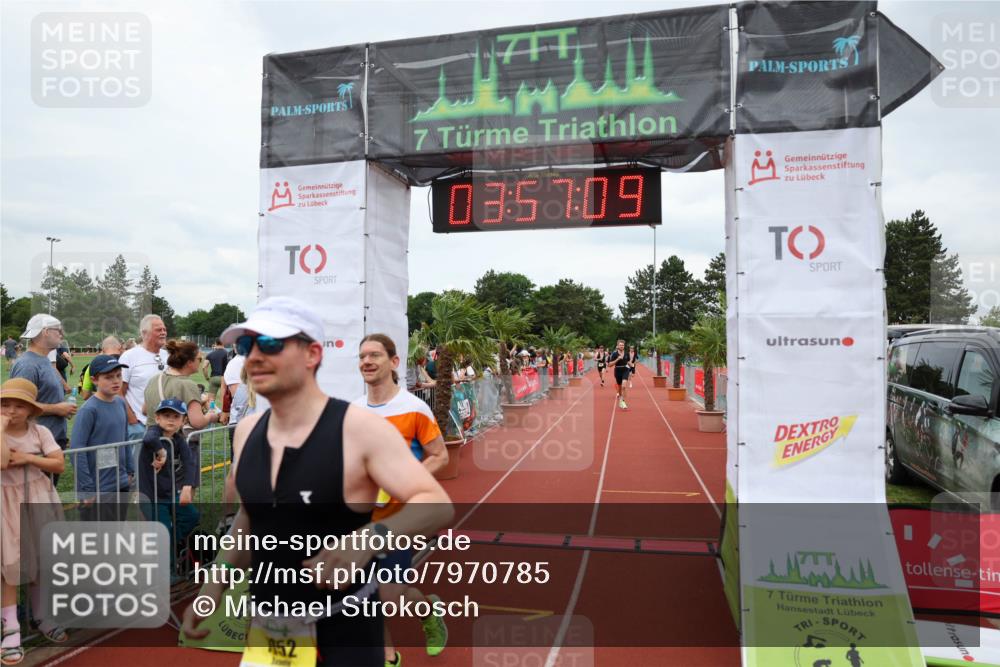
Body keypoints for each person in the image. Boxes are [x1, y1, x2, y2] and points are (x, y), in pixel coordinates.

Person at [181, 296, 454, 667]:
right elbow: (250, 518)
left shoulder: (359, 428)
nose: (255, 356)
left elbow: (435, 503)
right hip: (271, 630)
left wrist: (369, 538)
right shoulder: (246, 432)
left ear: (312, 354)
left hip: (344, 630)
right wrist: (216, 582)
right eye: (247, 346)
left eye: (272, 344)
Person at [353, 334, 449, 665]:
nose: (366, 361)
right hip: (359, 521)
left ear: (393, 362)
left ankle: (428, 611)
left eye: (374, 355)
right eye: (362, 356)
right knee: (366, 600)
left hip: (399, 519)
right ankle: (389, 658)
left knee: (388, 597)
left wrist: (404, 483)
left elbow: (440, 456)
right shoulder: (353, 411)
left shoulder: (414, 408)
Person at [1, 378, 68, 664]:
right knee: (10, 564)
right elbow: (3, 461)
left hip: (37, 497)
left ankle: (42, 616)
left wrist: (29, 458)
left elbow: (58, 463)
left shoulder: (40, 431)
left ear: (31, 410)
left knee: (40, 559)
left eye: (19, 406)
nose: (12, 410)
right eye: (5, 404)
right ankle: (10, 627)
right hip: (6, 503)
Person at [10, 315, 77, 486]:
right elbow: (16, 407)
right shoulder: (27, 365)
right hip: (35, 447)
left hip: (51, 441)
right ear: (46, 332)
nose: (61, 335)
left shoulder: (44, 360)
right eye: (58, 330)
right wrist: (57, 409)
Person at [70, 355, 134, 521]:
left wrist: (129, 470)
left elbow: (125, 438)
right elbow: (77, 451)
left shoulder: (120, 402)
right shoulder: (89, 410)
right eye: (108, 377)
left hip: (120, 483)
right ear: (94, 380)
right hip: (97, 487)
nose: (115, 381)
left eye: (118, 376)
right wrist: (87, 488)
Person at [139, 399, 199, 575]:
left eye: (176, 416)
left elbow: (189, 463)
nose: (171, 420)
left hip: (169, 492)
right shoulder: (154, 432)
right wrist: (161, 451)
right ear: (157, 418)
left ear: (183, 420)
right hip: (151, 495)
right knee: (163, 531)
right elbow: (149, 438)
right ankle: (168, 572)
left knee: (191, 516)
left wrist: (187, 487)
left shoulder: (179, 440)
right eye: (166, 416)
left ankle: (169, 544)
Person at [143, 340, 221, 431]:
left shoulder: (154, 379)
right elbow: (198, 422)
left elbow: (145, 410)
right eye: (199, 359)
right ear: (189, 362)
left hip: (150, 439)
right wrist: (211, 415)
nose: (201, 361)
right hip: (173, 441)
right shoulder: (187, 385)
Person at [119, 315, 171, 441]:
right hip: (140, 426)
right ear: (144, 333)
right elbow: (119, 391)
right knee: (138, 461)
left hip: (165, 427)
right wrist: (133, 421)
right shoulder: (129, 356)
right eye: (158, 330)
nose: (163, 333)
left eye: (164, 329)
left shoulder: (167, 356)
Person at [79, 336, 124, 400]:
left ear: (103, 350)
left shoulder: (92, 365)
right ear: (120, 348)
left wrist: (103, 395)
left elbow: (85, 395)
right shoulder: (129, 362)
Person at [606, 340, 630, 410]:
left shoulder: (626, 353)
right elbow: (610, 365)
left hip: (625, 369)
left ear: (624, 346)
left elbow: (628, 361)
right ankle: (621, 400)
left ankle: (622, 401)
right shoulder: (614, 354)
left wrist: (632, 366)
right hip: (617, 370)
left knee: (624, 386)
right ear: (618, 346)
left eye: (622, 345)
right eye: (620, 345)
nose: (621, 346)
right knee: (619, 387)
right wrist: (617, 359)